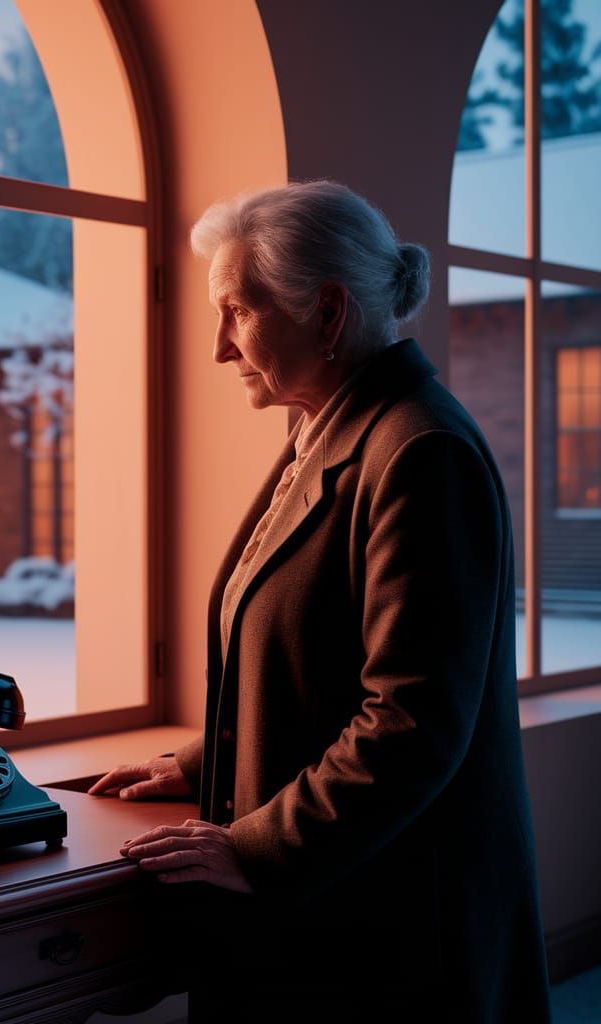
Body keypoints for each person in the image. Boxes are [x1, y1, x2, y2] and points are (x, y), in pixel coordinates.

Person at [88, 180, 552, 1023]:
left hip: (394, 928)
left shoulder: (419, 451)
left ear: (329, 313)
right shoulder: (329, 429)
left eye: (237, 311)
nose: (220, 348)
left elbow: (412, 719)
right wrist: (202, 762)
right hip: (343, 902)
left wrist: (259, 848)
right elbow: (312, 660)